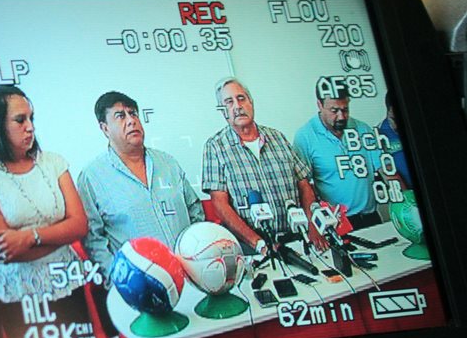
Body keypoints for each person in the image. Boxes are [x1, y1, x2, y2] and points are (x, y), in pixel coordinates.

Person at [0, 84, 88, 301]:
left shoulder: (53, 161)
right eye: (20, 120)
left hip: (66, 277)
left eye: (32, 118)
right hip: (16, 292)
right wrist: (61, 233)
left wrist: (28, 237)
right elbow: (6, 253)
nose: (30, 127)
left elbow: (79, 226)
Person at [78, 91, 204, 275]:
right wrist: (118, 280)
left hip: (191, 275)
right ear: (105, 129)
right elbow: (94, 241)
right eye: (120, 116)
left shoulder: (167, 163)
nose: (131, 120)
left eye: (133, 113)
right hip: (141, 288)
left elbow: (195, 211)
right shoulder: (92, 177)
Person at [201, 76, 326, 254]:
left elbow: (304, 186)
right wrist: (258, 243)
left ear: (251, 102)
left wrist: (313, 225)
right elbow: (220, 205)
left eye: (241, 98)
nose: (237, 106)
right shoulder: (215, 147)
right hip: (254, 247)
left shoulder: (278, 138)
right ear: (223, 112)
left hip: (296, 238)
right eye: (229, 102)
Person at [293, 79, 405, 230]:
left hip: (371, 217)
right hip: (337, 224)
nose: (341, 117)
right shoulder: (305, 136)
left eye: (345, 109)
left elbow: (387, 171)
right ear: (319, 105)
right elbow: (304, 186)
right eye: (334, 111)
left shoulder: (363, 128)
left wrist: (409, 203)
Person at [378, 90, 412, 188]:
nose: (397, 126)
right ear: (388, 111)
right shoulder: (379, 134)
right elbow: (387, 170)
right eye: (393, 119)